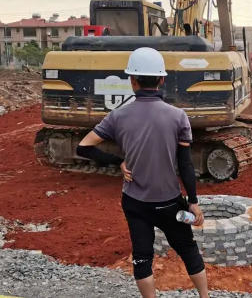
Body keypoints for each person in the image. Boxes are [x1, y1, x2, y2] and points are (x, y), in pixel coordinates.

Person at [75, 47, 209, 298]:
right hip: (169, 202)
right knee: (188, 249)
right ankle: (205, 297)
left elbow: (83, 148)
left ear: (132, 81)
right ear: (162, 79)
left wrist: (117, 162)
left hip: (135, 202)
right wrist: (193, 201)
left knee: (142, 257)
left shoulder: (117, 116)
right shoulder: (178, 117)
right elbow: (185, 165)